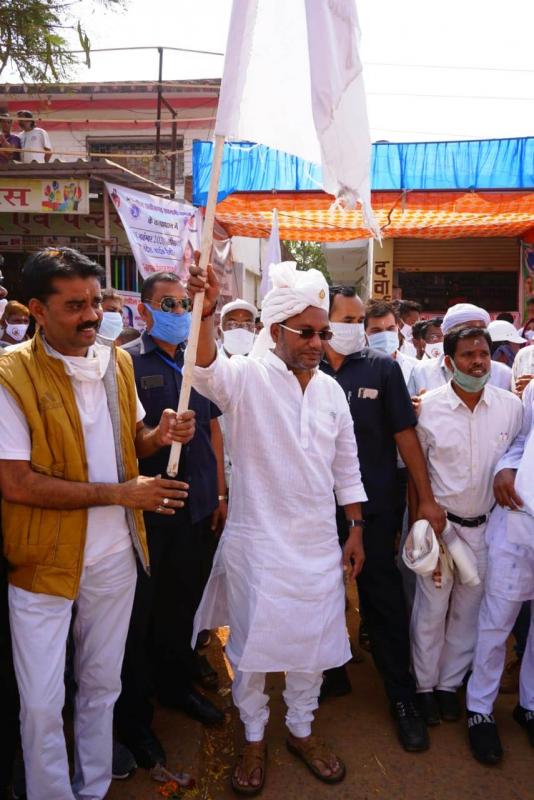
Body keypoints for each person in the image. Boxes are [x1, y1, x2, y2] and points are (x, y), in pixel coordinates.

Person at [0, 247, 195, 800]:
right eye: (74, 306)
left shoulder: (117, 361)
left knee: (102, 684)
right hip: (42, 562)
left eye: (93, 303)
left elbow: (128, 442)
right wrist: (120, 493)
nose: (90, 316)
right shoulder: (9, 377)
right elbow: (17, 483)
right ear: (37, 310)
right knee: (40, 701)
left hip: (116, 555)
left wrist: (160, 435)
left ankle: (93, 786)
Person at [189, 261, 368, 794]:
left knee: (312, 647)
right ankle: (251, 735)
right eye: (307, 332)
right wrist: (205, 311)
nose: (317, 342)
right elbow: (204, 370)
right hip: (258, 544)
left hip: (317, 546)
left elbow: (347, 467)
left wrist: (354, 527)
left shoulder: (332, 392)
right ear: (275, 332)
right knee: (250, 650)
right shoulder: (245, 376)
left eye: (323, 333)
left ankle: (301, 729)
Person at [320, 285, 445, 753]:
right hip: (315, 509)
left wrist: (426, 499)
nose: (353, 328)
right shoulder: (303, 368)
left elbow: (404, 436)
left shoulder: (382, 369)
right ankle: (328, 675)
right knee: (321, 592)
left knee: (382, 599)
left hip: (373, 508)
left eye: (358, 319)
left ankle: (401, 695)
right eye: (344, 319)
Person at [115, 271, 226, 772]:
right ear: (144, 310)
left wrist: (220, 490)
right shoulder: (125, 362)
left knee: (183, 609)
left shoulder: (199, 361)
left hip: (198, 508)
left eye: (186, 303)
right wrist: (159, 439)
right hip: (150, 514)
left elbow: (215, 428)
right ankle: (135, 721)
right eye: (169, 303)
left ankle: (177, 687)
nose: (179, 311)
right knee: (142, 620)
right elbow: (124, 444)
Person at [411, 327, 522, 729]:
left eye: (483, 354)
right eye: (467, 355)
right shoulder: (428, 409)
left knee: (468, 614)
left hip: (488, 529)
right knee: (431, 610)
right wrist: (420, 527)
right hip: (441, 528)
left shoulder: (510, 408)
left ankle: (448, 686)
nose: (477, 362)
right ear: (449, 362)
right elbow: (416, 473)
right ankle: (423, 688)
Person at [465, 378, 534, 764]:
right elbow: (523, 440)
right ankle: (480, 708)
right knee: (497, 621)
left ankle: (530, 706)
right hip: (520, 519)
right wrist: (506, 468)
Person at [408, 303, 512, 395]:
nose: (476, 337)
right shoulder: (421, 371)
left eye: (482, 330)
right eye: (468, 331)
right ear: (447, 336)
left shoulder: (504, 374)